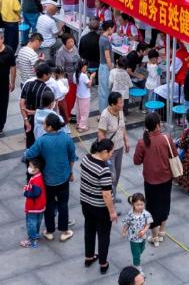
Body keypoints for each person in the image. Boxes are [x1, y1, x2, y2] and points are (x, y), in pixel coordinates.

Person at [24, 111, 77, 241]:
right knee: (63, 204)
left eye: (45, 123)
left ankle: (49, 231)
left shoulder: (42, 140)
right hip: (63, 178)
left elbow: (29, 154)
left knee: (49, 205)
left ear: (50, 127)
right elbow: (72, 157)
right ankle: (64, 231)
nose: (43, 125)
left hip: (47, 180)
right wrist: (70, 172)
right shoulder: (66, 138)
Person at [133, 111, 179, 246]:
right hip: (166, 178)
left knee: (152, 208)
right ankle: (162, 231)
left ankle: (154, 237)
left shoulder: (142, 142)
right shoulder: (166, 138)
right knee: (165, 204)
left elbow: (136, 161)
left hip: (150, 181)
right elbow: (174, 154)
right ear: (158, 125)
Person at [79, 138, 117, 274]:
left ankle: (89, 257)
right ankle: (103, 263)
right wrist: (112, 212)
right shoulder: (103, 170)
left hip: (86, 203)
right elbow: (106, 194)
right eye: (111, 152)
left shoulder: (85, 159)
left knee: (89, 230)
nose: (111, 155)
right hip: (100, 208)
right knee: (103, 235)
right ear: (105, 151)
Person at [98, 90, 129, 199]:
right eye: (120, 103)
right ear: (112, 104)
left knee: (117, 173)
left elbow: (122, 127)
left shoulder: (120, 111)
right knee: (112, 176)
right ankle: (110, 200)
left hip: (119, 148)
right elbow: (101, 134)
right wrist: (106, 151)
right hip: (110, 151)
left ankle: (113, 196)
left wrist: (126, 140)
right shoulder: (105, 115)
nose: (122, 104)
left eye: (122, 102)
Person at [19, 61, 52, 147]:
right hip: (41, 123)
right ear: (44, 75)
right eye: (49, 74)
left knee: (30, 144)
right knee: (41, 145)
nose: (50, 75)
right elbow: (47, 110)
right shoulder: (46, 90)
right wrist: (33, 112)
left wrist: (26, 119)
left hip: (29, 120)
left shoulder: (28, 84)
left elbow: (22, 103)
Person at [121, 192, 153, 268]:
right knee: (136, 254)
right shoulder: (130, 214)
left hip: (142, 237)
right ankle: (137, 266)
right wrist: (124, 231)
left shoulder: (146, 214)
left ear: (144, 203)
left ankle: (136, 258)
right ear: (133, 205)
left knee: (142, 248)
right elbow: (127, 223)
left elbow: (148, 223)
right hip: (133, 238)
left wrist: (144, 231)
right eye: (137, 205)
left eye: (141, 204)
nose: (140, 206)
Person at [21, 156, 46, 248]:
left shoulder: (35, 180)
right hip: (40, 206)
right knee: (38, 221)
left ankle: (31, 240)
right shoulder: (40, 176)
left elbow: (35, 193)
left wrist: (26, 192)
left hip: (33, 207)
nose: (29, 168)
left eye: (31, 166)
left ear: (37, 169)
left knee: (31, 222)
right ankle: (36, 234)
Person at [55, 33, 80, 118]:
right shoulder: (61, 52)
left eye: (72, 41)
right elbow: (59, 68)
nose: (71, 44)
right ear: (64, 43)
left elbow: (78, 58)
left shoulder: (74, 48)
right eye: (69, 42)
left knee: (74, 97)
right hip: (68, 79)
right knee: (69, 98)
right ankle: (67, 115)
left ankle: (72, 113)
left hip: (76, 76)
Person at [97, 20, 115, 112]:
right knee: (105, 91)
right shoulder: (106, 40)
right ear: (109, 28)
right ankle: (104, 112)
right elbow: (107, 57)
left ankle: (102, 111)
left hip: (102, 66)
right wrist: (111, 68)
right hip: (106, 67)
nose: (114, 30)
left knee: (103, 91)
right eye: (113, 28)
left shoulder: (102, 38)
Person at [74, 58, 95, 131]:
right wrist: (91, 77)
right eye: (86, 67)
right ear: (83, 67)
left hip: (78, 95)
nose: (86, 69)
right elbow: (89, 85)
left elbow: (75, 82)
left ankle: (78, 123)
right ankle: (82, 127)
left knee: (79, 111)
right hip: (85, 97)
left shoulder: (76, 73)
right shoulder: (83, 76)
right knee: (84, 112)